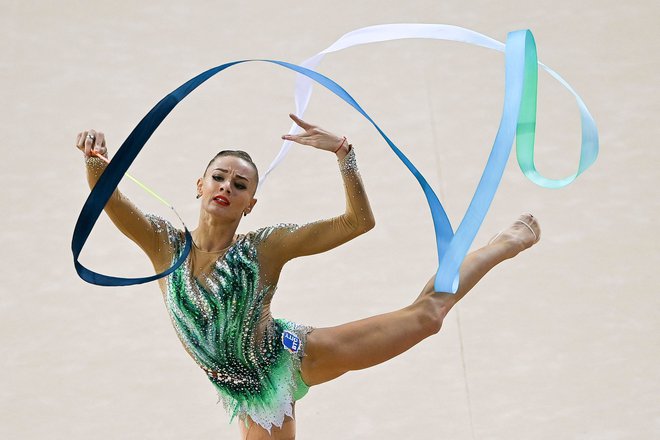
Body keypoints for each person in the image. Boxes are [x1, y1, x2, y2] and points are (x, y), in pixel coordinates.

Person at [77, 114, 540, 440]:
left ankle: (505, 243)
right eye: (218, 178)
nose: (226, 188)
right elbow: (109, 200)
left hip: (288, 359)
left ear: (250, 204)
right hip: (249, 393)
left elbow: (357, 222)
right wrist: (95, 158)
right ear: (199, 185)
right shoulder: (165, 244)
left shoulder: (264, 247)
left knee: (428, 317)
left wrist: (344, 154)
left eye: (240, 185)